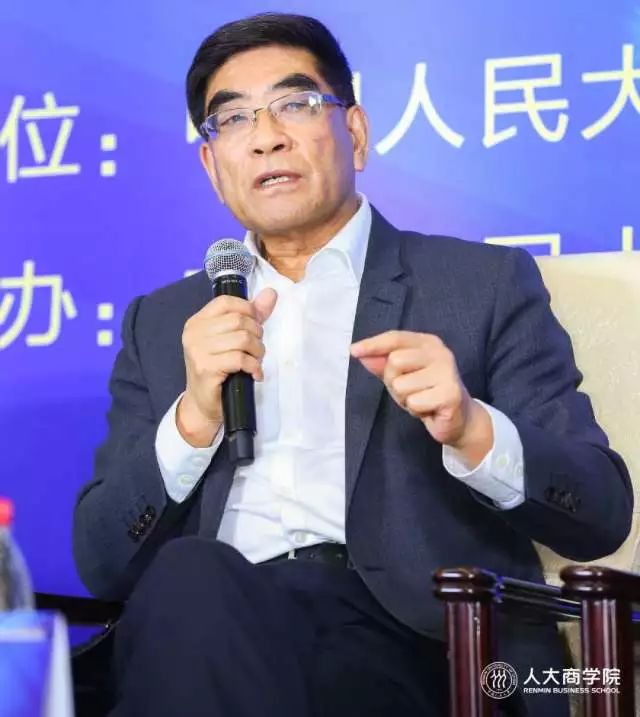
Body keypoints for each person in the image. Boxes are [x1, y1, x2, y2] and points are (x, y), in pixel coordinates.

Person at [72, 12, 632, 717]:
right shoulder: (163, 324)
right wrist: (191, 421)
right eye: (235, 119)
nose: (266, 136)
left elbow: (600, 511)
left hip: (415, 643)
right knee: (190, 584)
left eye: (295, 104)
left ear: (356, 133)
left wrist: (473, 430)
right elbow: (102, 561)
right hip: (213, 626)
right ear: (213, 167)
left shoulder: (478, 286)